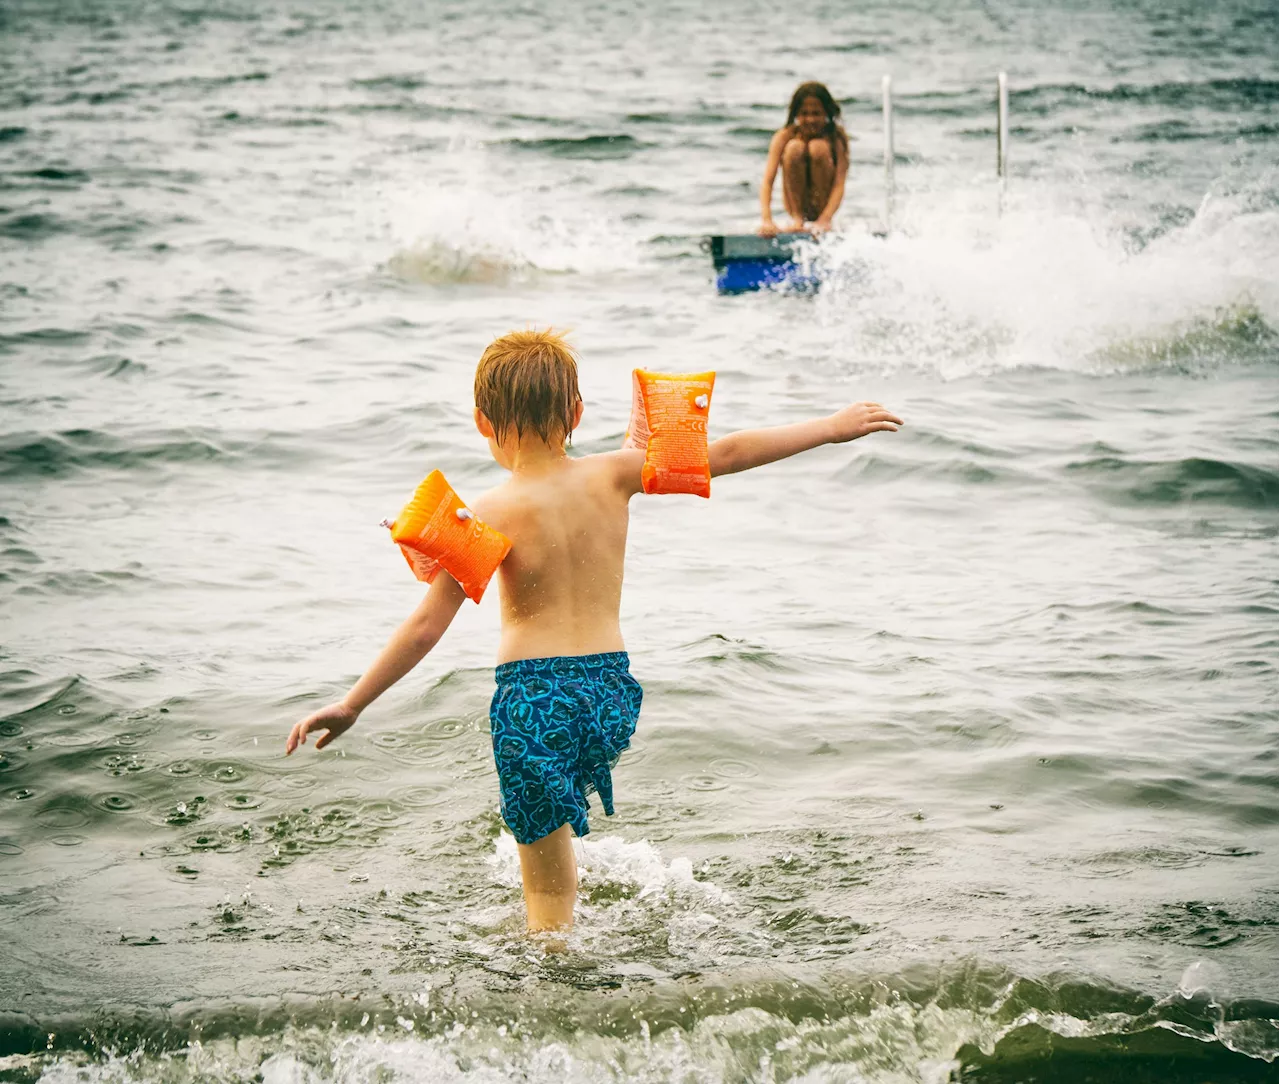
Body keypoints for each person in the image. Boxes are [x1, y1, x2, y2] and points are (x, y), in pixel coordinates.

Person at [285, 329, 902, 932]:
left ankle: (551, 986)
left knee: (546, 899)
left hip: (533, 699)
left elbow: (425, 627)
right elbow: (730, 453)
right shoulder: (615, 474)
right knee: (558, 849)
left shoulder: (488, 513)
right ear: (577, 412)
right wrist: (832, 425)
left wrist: (352, 703)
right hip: (610, 695)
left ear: (481, 422)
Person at [758, 81, 851, 237]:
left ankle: (820, 218)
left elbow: (839, 184)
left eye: (816, 113)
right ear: (795, 115)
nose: (810, 120)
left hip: (823, 204)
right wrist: (767, 220)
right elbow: (767, 181)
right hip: (794, 205)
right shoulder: (784, 136)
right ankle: (798, 219)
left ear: (827, 114)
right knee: (795, 148)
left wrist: (825, 219)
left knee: (818, 147)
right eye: (804, 114)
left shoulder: (836, 138)